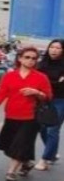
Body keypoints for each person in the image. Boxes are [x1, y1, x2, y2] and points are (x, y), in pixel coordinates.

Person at [0, 46, 53, 181]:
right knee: (9, 145)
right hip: (12, 115)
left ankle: (11, 172)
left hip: (31, 117)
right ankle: (26, 161)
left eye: (34, 58)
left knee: (20, 144)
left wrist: (36, 92)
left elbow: (48, 96)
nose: (31, 60)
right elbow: (2, 93)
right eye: (27, 57)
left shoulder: (41, 77)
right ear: (19, 58)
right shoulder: (10, 76)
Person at [35, 39, 64, 170]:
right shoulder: (42, 64)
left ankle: (45, 159)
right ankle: (52, 153)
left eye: (58, 48)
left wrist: (49, 83)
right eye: (52, 47)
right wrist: (56, 82)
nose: (54, 50)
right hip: (43, 99)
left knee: (53, 129)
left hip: (60, 100)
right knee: (42, 128)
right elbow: (37, 82)